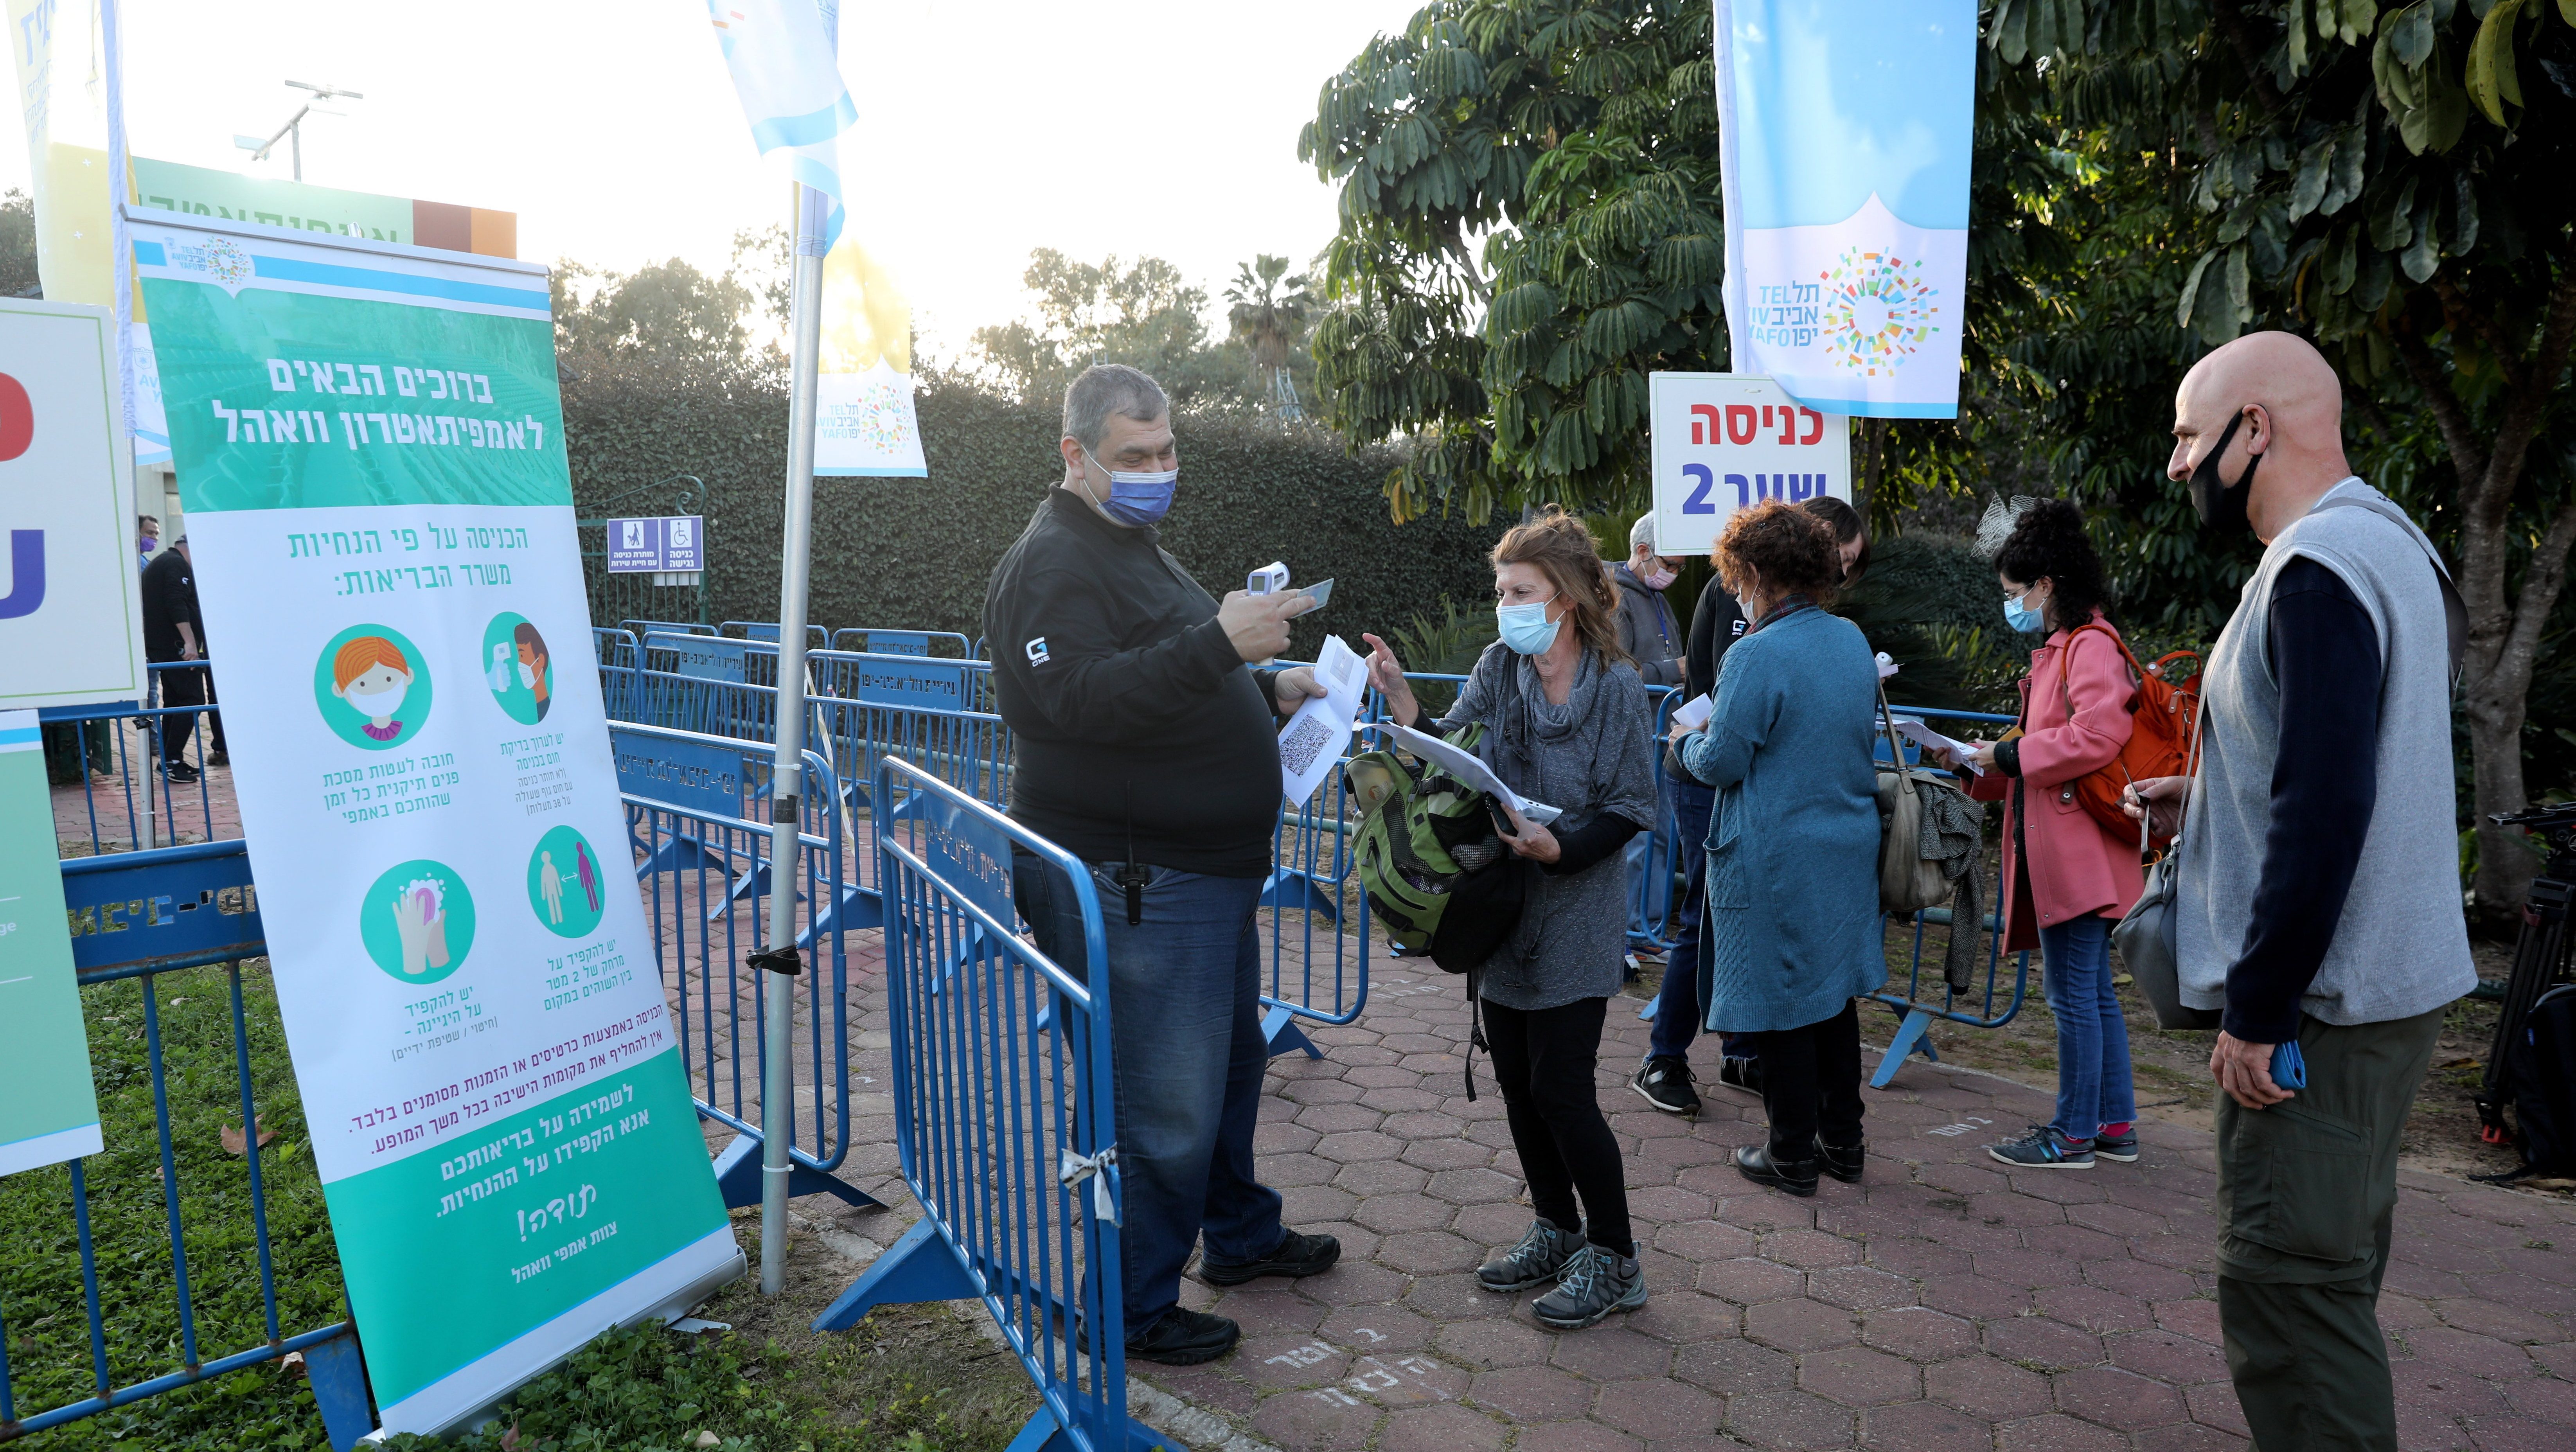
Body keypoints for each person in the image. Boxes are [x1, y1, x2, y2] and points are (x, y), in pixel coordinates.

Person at [2123, 332, 2474, 1451]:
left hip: (2321, 1014)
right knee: (2329, 1273)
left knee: (2291, 1298)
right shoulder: (2390, 544)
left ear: (2254, 429)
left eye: (2189, 435)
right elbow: (2340, 759)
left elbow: (2328, 808)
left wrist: (2259, 1011)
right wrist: (2212, 793)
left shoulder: (2317, 569)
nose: (2179, 464)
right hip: (2384, 994)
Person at [985, 363, 1340, 1367]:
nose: (1156, 469)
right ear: (1075, 455)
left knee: (1225, 1064)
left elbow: (1174, 667)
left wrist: (1262, 682)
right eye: (1133, 456)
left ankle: (1237, 1233)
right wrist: (1220, 647)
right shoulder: (1054, 561)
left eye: (1167, 450)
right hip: (1138, 877)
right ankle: (1131, 1308)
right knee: (1164, 1095)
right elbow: (1082, 699)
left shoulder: (1126, 541)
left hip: (1198, 874)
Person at [1361, 506, 1659, 1330]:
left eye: (1519, 589)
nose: (1505, 604)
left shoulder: (1617, 687)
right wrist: (1403, 702)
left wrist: (1559, 849)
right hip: (1500, 906)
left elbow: (1632, 806)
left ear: (1562, 596)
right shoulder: (1500, 664)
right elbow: (1452, 753)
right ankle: (1556, 1227)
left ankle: (1616, 1256)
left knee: (1563, 1090)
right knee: (1516, 1085)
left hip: (1576, 907)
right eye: (1500, 589)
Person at [1668, 501, 1882, 1196]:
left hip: (1777, 852)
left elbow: (1724, 758)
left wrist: (1682, 745)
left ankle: (1791, 1153)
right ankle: (1842, 1143)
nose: (1733, 589)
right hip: (1845, 845)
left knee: (1786, 1001)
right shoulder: (1851, 638)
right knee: (1833, 997)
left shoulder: (1754, 652)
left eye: (1735, 577)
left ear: (1756, 571)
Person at [1937, 499, 2143, 1168]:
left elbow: (2093, 736)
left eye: (2016, 592)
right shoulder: (2074, 645)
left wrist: (2002, 758)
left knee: (2073, 994)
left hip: (2077, 855)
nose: (2013, 604)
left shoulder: (2086, 645)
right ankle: (2111, 1125)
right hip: (2074, 851)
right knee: (2089, 991)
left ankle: (2073, 1131)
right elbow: (2040, 747)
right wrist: (1983, 760)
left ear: (2047, 585)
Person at [140, 536, 225, 779]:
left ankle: (169, 759)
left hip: (165, 646)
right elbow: (176, 603)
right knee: (193, 699)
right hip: (175, 647)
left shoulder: (163, 562)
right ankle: (172, 759)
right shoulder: (176, 565)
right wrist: (189, 642)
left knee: (176, 702)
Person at [1611, 514, 1684, 687]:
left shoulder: (1658, 597)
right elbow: (1614, 675)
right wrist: (1675, 671)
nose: (1674, 574)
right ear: (1643, 552)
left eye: (1680, 567)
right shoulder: (1614, 599)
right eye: (1669, 565)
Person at [514, 621, 554, 721]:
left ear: (541, 660)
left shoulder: (547, 711)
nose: (520, 663)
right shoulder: (528, 710)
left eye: (522, 656)